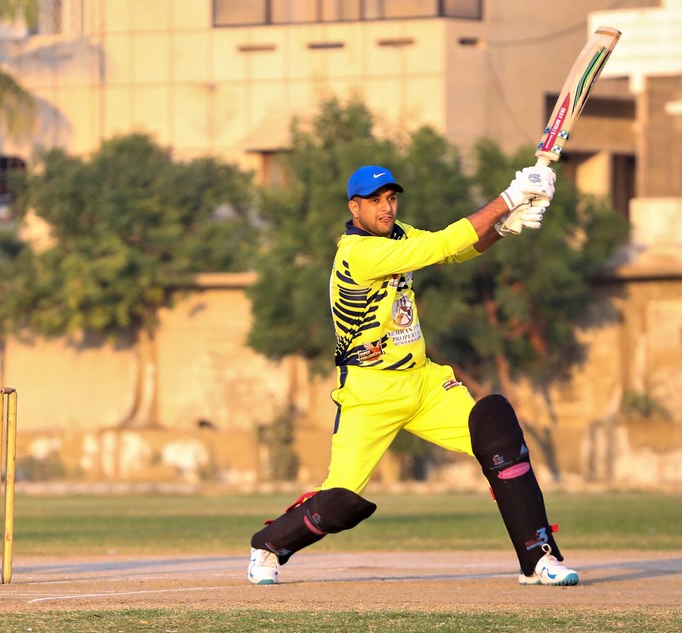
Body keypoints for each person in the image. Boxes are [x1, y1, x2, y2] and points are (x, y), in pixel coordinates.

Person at [247, 164, 579, 587]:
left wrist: (502, 228)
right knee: (338, 500)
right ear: (354, 208)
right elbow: (440, 245)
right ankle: (269, 545)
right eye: (374, 201)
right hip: (370, 393)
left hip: (424, 383)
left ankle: (538, 559)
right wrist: (509, 198)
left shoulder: (398, 234)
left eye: (391, 198)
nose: (386, 207)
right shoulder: (358, 252)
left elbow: (455, 252)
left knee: (498, 437)